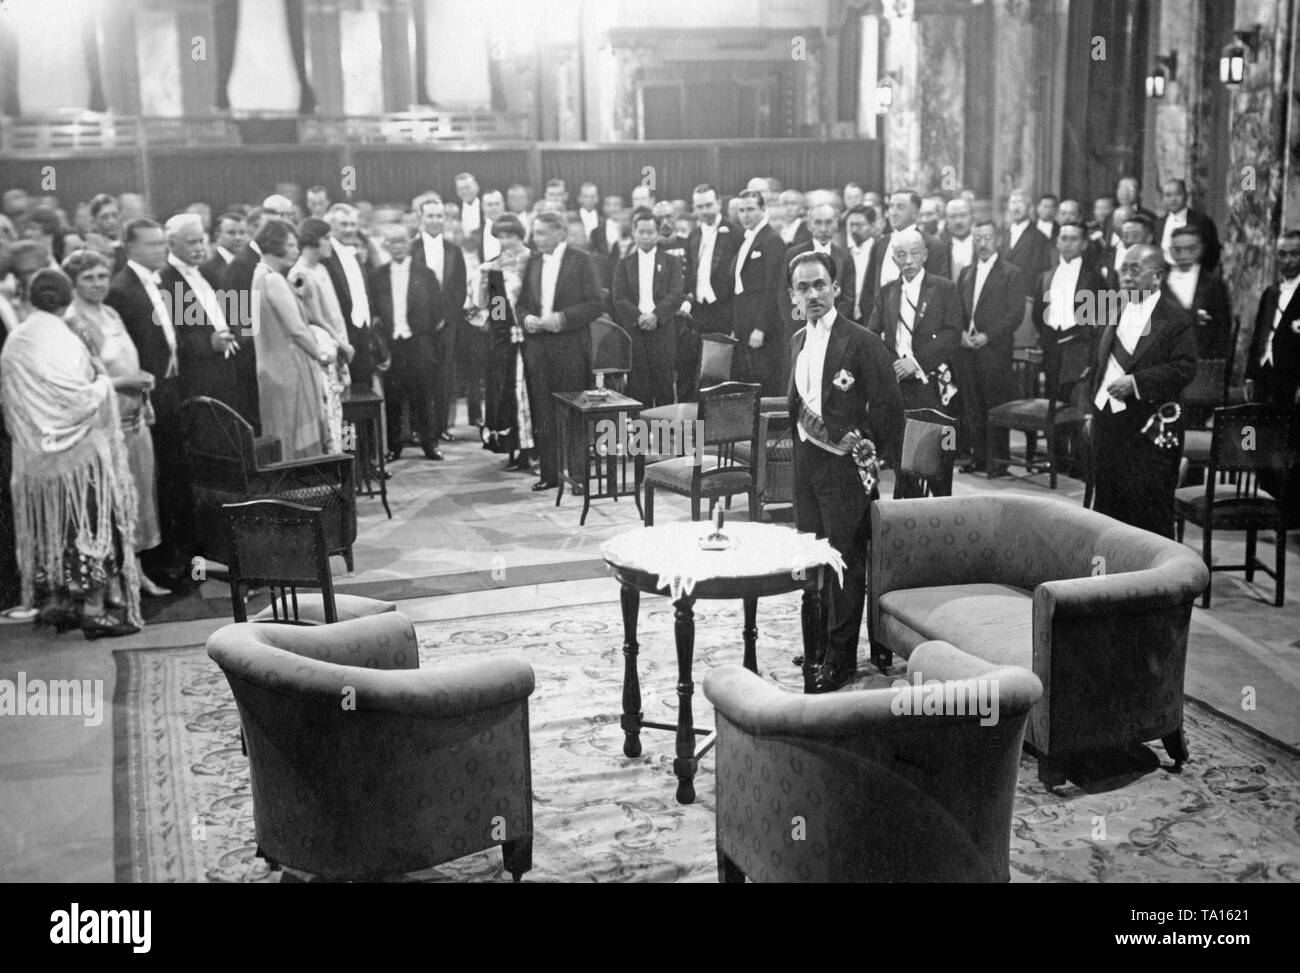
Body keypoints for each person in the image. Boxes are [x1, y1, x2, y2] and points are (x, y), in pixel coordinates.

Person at [0, 269, 141, 637]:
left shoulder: (17, 338)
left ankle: (55, 602)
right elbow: (77, 400)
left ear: (32, 297)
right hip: (78, 455)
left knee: (49, 525)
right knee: (87, 522)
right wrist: (107, 384)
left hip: (34, 454)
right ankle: (94, 610)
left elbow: (12, 400)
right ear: (66, 297)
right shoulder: (62, 338)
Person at [786, 251, 903, 693]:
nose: (813, 294)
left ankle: (840, 658)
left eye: (820, 285)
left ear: (836, 289)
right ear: (793, 295)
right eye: (803, 287)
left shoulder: (862, 340)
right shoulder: (797, 339)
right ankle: (817, 644)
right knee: (813, 556)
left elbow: (890, 406)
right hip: (807, 463)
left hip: (846, 468)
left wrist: (867, 446)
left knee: (845, 562)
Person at [63, 249, 170, 599]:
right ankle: (111, 583)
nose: (97, 284)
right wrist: (126, 381)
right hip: (104, 424)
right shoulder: (73, 321)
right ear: (73, 283)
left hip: (135, 419)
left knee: (139, 499)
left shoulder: (110, 312)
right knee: (111, 502)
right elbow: (82, 380)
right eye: (88, 278)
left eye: (102, 276)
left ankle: (136, 572)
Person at [1089, 244, 1197, 537]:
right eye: (1123, 269)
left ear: (1157, 276)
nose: (1126, 276)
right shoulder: (1112, 309)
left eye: (1134, 270)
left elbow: (1185, 368)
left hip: (1150, 425)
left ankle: (1154, 578)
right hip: (1108, 421)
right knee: (1109, 506)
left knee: (1148, 508)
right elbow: (1099, 365)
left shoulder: (1176, 318)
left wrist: (1136, 383)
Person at [517, 211, 604, 491]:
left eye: (541, 233)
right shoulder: (532, 260)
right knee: (542, 412)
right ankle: (549, 474)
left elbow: (595, 304)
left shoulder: (581, 260)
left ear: (559, 233)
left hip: (569, 347)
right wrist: (526, 318)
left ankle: (579, 477)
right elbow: (520, 304)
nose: (534, 238)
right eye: (535, 232)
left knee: (574, 413)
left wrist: (563, 319)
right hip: (537, 347)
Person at [250, 220, 328, 460]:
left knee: (281, 433)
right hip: (288, 370)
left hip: (271, 371)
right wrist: (321, 356)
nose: (296, 250)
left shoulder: (258, 275)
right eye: (291, 245)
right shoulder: (273, 280)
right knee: (292, 437)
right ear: (276, 246)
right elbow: (296, 329)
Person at [865, 227, 963, 413]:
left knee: (932, 436)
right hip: (896, 375)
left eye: (914, 253)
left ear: (925, 255)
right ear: (894, 259)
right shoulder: (886, 292)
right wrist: (894, 364)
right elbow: (872, 335)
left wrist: (916, 362)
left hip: (931, 376)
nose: (908, 261)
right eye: (901, 255)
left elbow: (952, 333)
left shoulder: (944, 289)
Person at [956, 221, 1027, 474]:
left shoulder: (1011, 273)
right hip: (968, 347)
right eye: (977, 238)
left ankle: (997, 461)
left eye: (986, 237)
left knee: (995, 404)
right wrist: (962, 332)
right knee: (972, 404)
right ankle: (978, 458)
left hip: (994, 349)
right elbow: (958, 309)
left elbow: (1015, 313)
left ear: (997, 239)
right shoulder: (966, 272)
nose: (982, 243)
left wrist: (988, 336)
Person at [370, 224, 443, 462]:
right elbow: (375, 312)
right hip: (392, 344)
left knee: (424, 394)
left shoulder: (425, 273)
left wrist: (424, 334)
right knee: (393, 396)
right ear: (385, 245)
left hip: (420, 342)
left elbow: (437, 311)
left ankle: (429, 444)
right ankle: (394, 446)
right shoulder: (377, 276)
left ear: (409, 243)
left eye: (401, 241)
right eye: (392, 242)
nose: (397, 246)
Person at [1246, 230, 1300, 526]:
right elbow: (1259, 335)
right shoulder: (1271, 292)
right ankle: (1265, 507)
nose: (1288, 260)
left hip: (1292, 383)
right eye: (1283, 254)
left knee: (1291, 446)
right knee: (1264, 442)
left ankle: (1289, 513)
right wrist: (1251, 374)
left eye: (1294, 253)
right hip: (1266, 377)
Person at [472, 214, 535, 470]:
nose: (506, 241)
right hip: (506, 340)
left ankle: (537, 448)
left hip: (534, 336)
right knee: (507, 392)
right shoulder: (493, 267)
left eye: (510, 236)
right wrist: (485, 279)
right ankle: (516, 450)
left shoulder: (534, 261)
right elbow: (493, 309)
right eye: (501, 237)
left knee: (532, 393)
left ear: (521, 235)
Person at [290, 218, 353, 454]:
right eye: (326, 238)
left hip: (339, 347)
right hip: (325, 352)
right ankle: (339, 463)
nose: (330, 243)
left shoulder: (323, 268)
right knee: (332, 415)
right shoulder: (299, 274)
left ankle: (350, 457)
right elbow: (314, 318)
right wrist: (341, 343)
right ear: (313, 240)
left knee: (346, 414)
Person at [613, 208, 685, 410]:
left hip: (663, 330)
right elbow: (619, 297)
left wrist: (656, 316)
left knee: (664, 381)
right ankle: (641, 435)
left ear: (658, 234)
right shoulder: (624, 263)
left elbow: (676, 293)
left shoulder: (672, 262)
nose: (645, 236)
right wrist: (639, 317)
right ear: (634, 233)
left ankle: (666, 435)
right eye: (641, 232)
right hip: (635, 331)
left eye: (650, 232)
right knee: (637, 383)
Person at [409, 195, 468, 441]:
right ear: (420, 218)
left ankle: (441, 427)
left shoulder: (454, 250)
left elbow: (460, 289)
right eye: (430, 215)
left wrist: (447, 318)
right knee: (418, 376)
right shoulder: (410, 250)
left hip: (447, 325)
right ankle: (416, 428)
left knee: (444, 376)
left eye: (439, 216)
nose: (435, 220)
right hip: (418, 326)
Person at [728, 189, 785, 394]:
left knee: (763, 381)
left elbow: (773, 288)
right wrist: (737, 325)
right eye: (741, 210)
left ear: (763, 209)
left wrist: (761, 328)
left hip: (762, 327)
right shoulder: (748, 239)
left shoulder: (771, 240)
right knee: (747, 381)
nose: (745, 215)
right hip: (744, 324)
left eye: (750, 209)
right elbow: (740, 289)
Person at [1164, 225, 1232, 360]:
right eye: (1178, 250)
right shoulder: (1159, 282)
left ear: (1200, 249)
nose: (1184, 255)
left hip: (1200, 360)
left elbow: (1222, 329)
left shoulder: (1214, 284)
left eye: (1191, 249)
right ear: (1170, 251)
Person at [1156, 178, 1222, 274]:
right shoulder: (1159, 224)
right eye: (1168, 195)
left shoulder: (1201, 221)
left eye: (1177, 194)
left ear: (1186, 195)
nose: (1173, 199)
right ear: (1163, 198)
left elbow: (1213, 252)